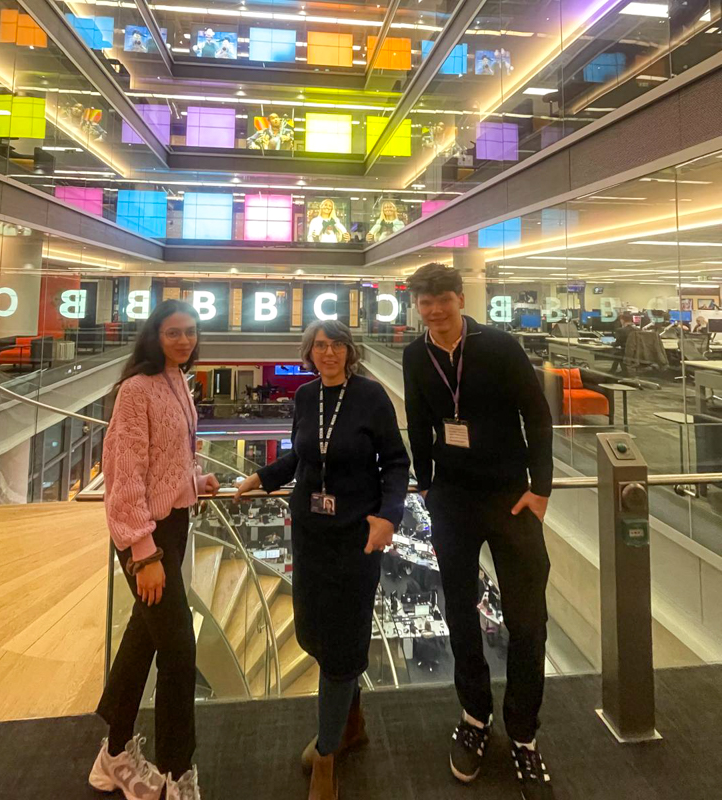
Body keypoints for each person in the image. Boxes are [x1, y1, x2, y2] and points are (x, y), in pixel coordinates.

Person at [234, 320, 409, 800]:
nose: (327, 353)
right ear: (309, 353)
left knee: (345, 641)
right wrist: (261, 478)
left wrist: (387, 516)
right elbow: (302, 459)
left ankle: (328, 752)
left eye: (336, 346)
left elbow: (396, 462)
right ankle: (352, 724)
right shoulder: (307, 396)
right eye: (319, 346)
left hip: (357, 536)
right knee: (312, 630)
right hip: (310, 536)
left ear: (349, 352)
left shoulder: (372, 397)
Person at [402, 263, 554, 800]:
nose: (435, 309)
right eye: (425, 301)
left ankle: (524, 733)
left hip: (511, 498)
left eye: (443, 298)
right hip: (453, 500)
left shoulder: (499, 346)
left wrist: (542, 488)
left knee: (526, 618)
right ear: (417, 306)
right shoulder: (415, 354)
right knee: (461, 613)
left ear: (460, 298)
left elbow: (536, 415)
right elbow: (419, 420)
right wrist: (426, 482)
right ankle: (475, 714)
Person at [90, 299, 220, 800]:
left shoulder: (177, 382)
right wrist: (144, 554)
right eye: (173, 333)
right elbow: (126, 475)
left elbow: (167, 459)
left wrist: (194, 480)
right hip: (145, 537)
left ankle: (115, 754)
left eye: (190, 332)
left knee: (142, 640)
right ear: (154, 336)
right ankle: (176, 769)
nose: (184, 340)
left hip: (173, 524)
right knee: (179, 650)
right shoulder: (135, 390)